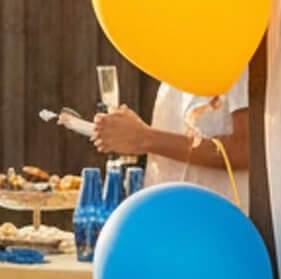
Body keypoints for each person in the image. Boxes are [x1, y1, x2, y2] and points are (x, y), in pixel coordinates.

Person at [92, 73, 251, 211]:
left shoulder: (237, 59)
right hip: (167, 217)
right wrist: (132, 136)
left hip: (214, 224)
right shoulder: (174, 63)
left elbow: (245, 149)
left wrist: (145, 138)